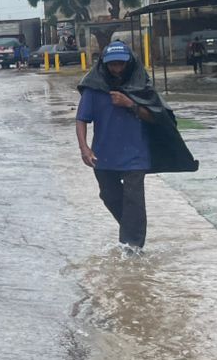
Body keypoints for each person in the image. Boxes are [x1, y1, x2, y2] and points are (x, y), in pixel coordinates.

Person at [75, 40, 198, 251]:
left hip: (136, 154)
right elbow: (81, 119)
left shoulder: (141, 86)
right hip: (103, 154)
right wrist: (84, 148)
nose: (117, 69)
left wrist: (130, 104)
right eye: (112, 65)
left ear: (129, 63)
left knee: (134, 199)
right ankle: (132, 230)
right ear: (104, 64)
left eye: (121, 64)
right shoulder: (93, 89)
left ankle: (132, 247)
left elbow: (157, 117)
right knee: (109, 195)